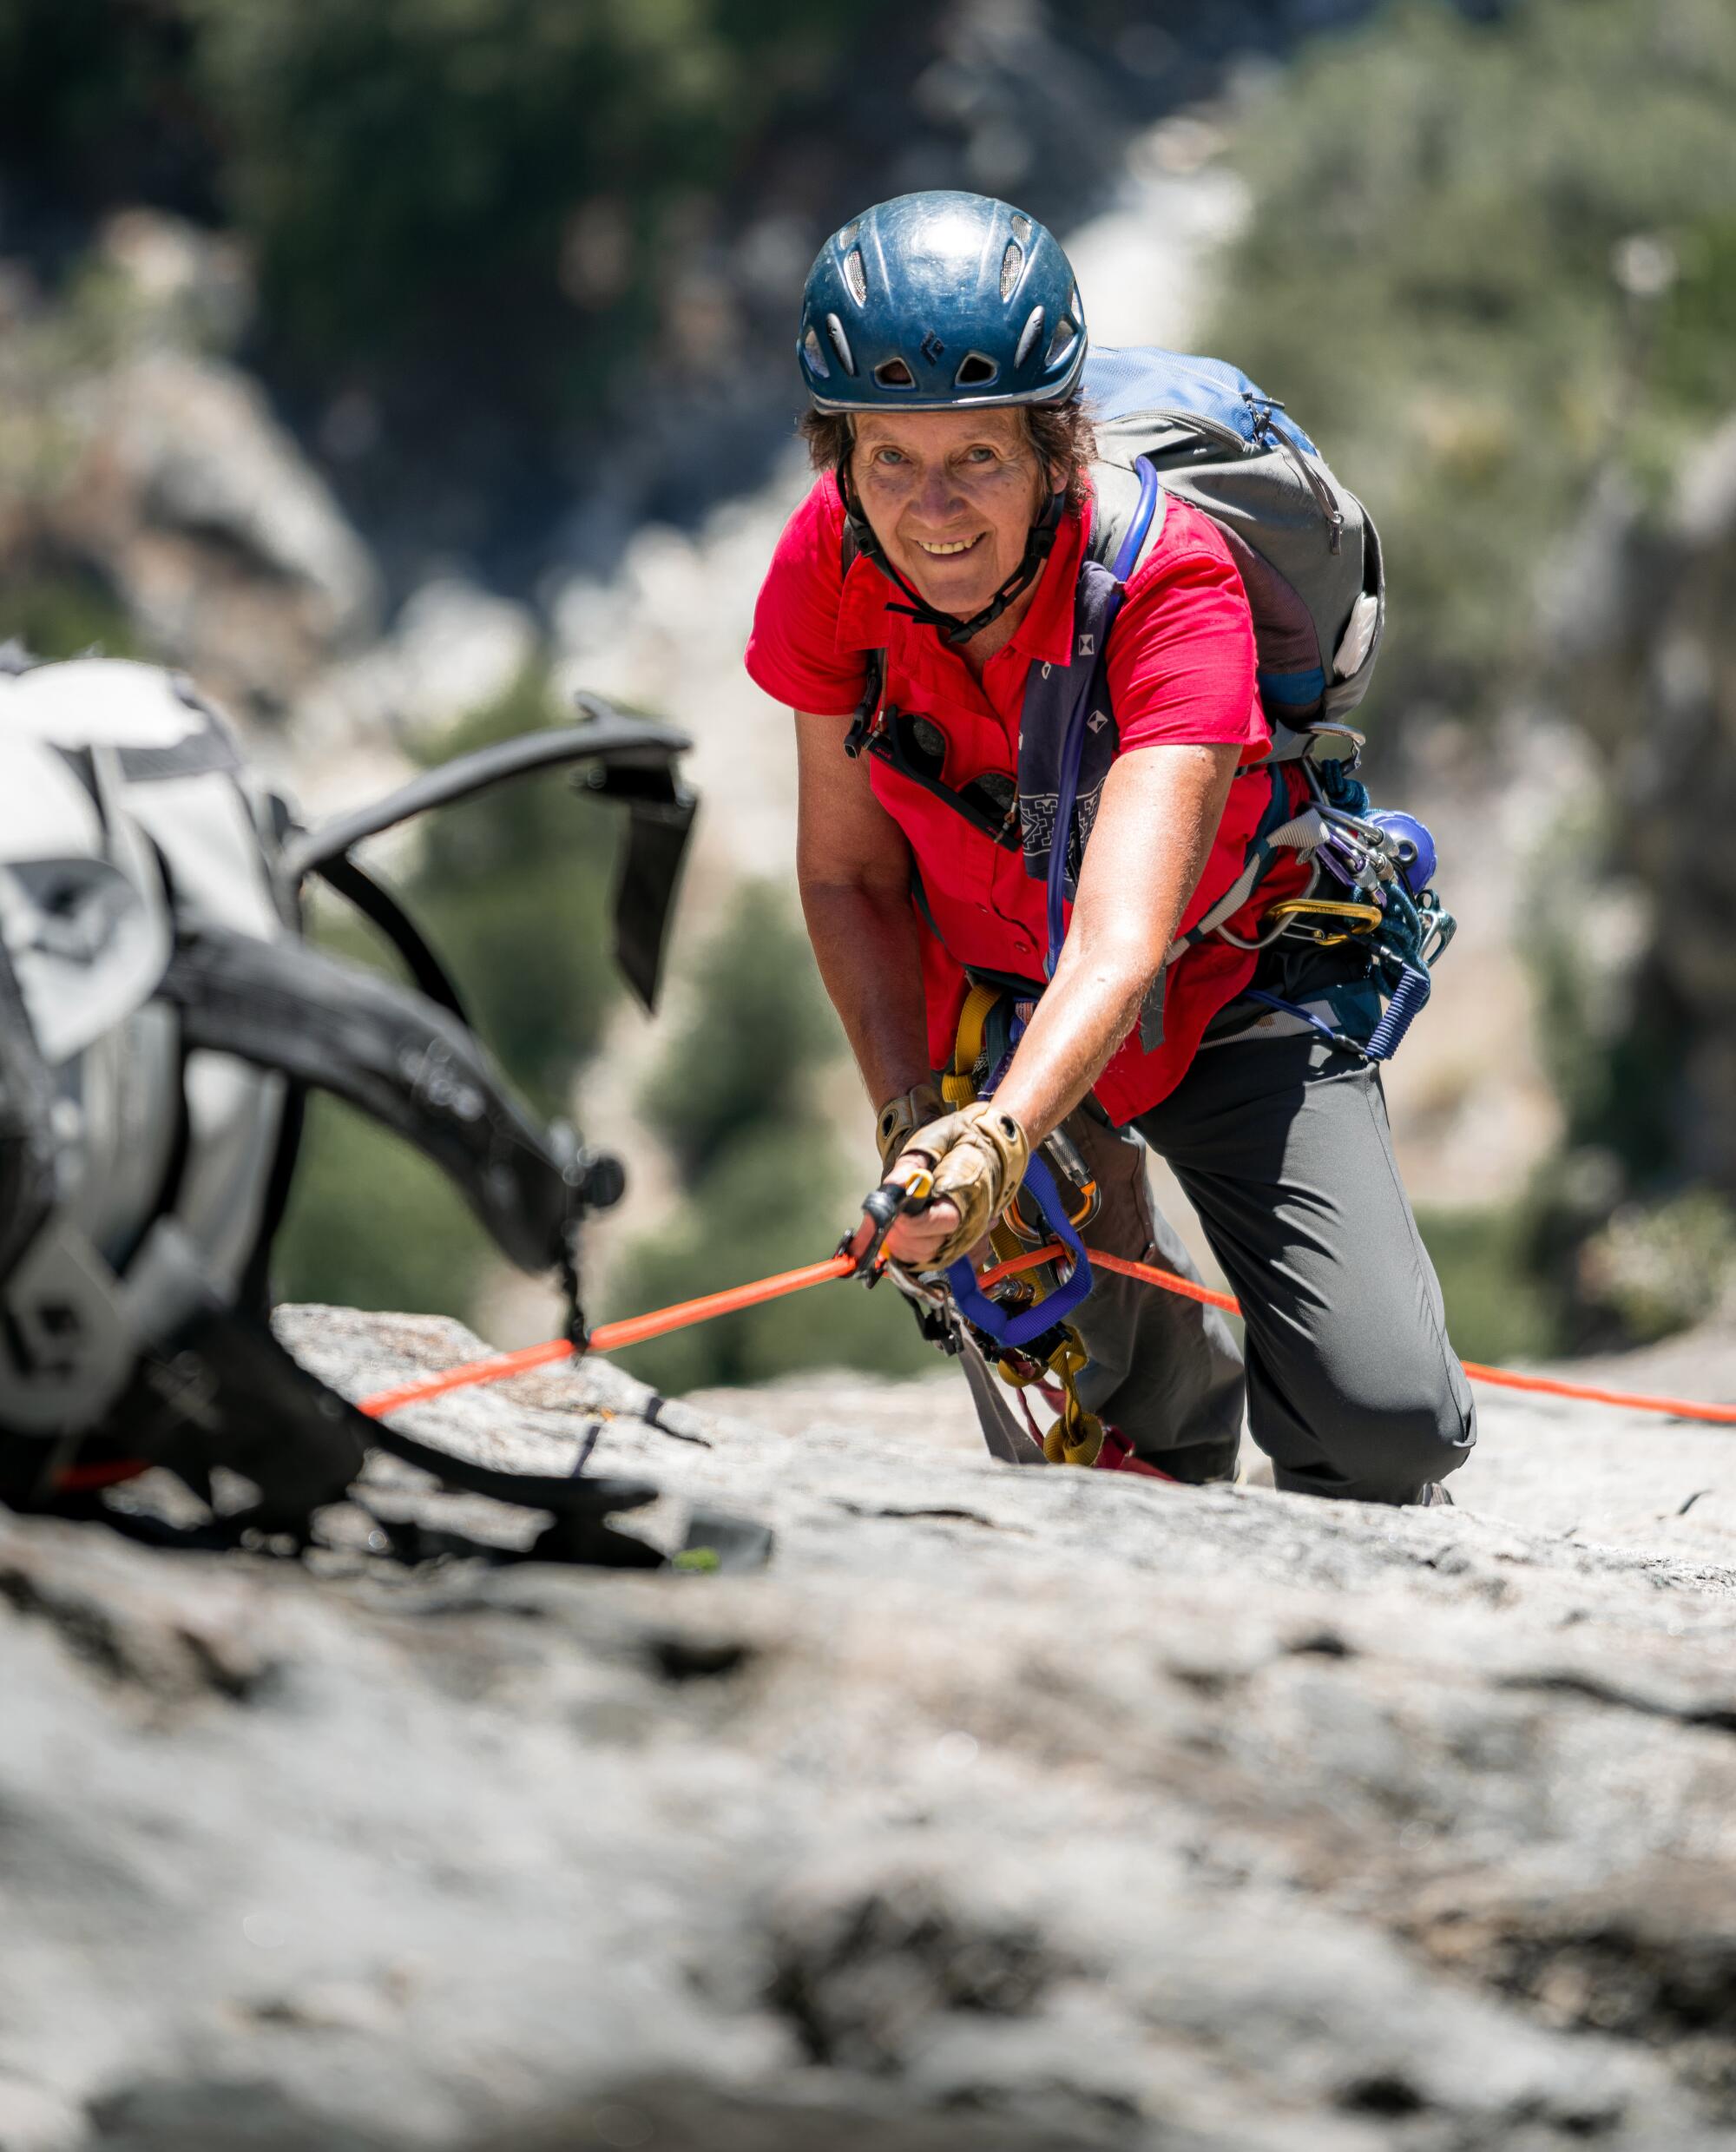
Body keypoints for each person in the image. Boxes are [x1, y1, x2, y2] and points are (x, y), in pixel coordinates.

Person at [745, 191, 1472, 1504]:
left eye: (980, 457)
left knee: (1387, 1428)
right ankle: (1169, 1378)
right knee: (1101, 1453)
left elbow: (1125, 939)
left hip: (1225, 987)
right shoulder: (828, 568)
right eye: (890, 460)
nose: (934, 509)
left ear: (1055, 448)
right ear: (840, 457)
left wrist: (997, 1136)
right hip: (1004, 1006)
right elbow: (849, 872)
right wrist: (920, 1117)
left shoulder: (1172, 585)